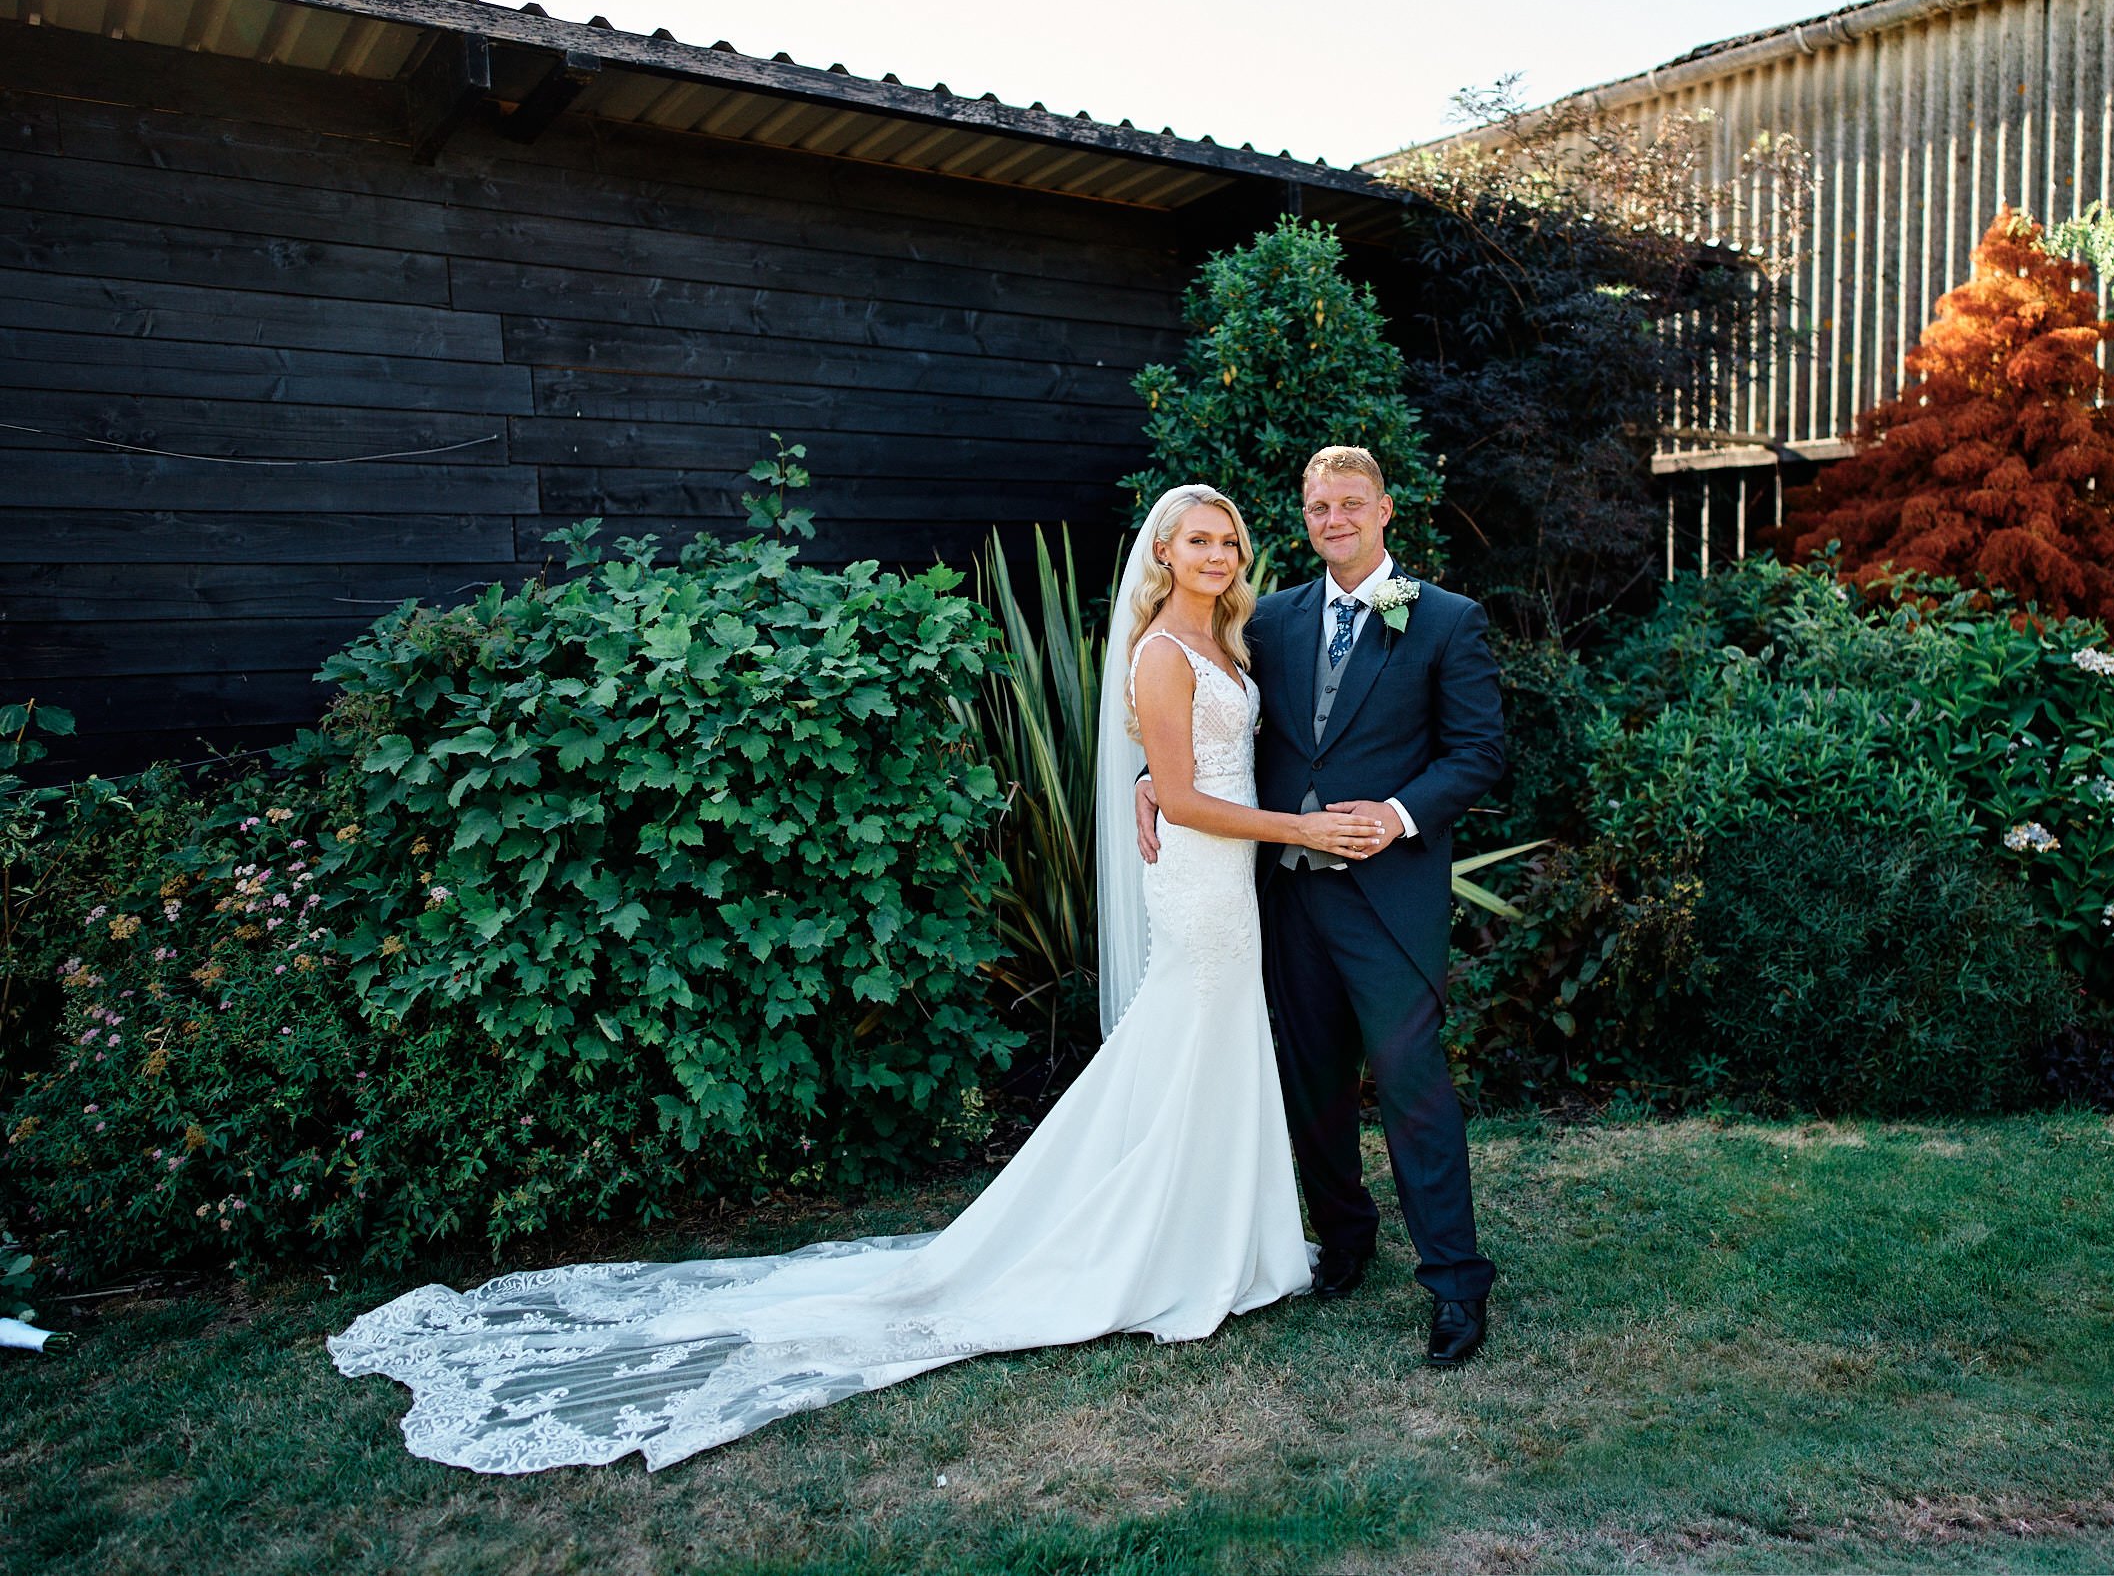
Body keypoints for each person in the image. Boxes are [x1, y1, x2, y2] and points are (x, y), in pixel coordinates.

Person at [328, 484, 1380, 1474]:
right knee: (1184, 1038)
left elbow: (1186, 765)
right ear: (1163, 551)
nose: (1218, 551)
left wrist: (1171, 781)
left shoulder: (1227, 638)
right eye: (1198, 537)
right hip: (1202, 877)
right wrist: (1283, 822)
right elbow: (1189, 797)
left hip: (1234, 879)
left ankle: (1226, 1240)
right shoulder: (1158, 648)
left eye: (1230, 538)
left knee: (1210, 1043)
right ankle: (1160, 1249)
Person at [1137, 445, 1505, 1368]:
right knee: (1312, 1088)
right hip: (1285, 901)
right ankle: (1345, 1241)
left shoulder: (1446, 621)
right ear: (1303, 517)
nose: (1332, 518)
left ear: (1384, 509)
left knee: (1413, 1086)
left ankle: (1456, 1283)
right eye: (1316, 506)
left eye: (1349, 503)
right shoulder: (1270, 622)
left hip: (1389, 899)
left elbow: (1478, 754)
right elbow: (1218, 723)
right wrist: (1154, 775)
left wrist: (1395, 813)